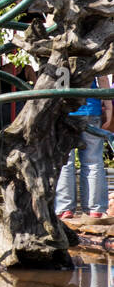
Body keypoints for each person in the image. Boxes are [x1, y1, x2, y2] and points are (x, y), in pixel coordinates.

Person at [56, 78, 111, 219]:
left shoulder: (59, 55)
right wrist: (109, 107)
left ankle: (64, 208)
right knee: (93, 160)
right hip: (90, 108)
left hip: (64, 109)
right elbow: (103, 78)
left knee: (65, 160)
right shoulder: (93, 54)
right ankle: (95, 208)